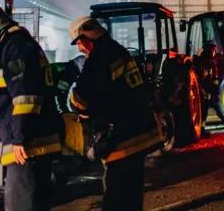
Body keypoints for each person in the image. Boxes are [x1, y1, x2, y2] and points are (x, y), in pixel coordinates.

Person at [0, 2, 63, 211]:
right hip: (33, 142)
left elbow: (26, 98)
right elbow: (22, 95)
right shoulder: (21, 46)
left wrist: (18, 137)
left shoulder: (14, 48)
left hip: (27, 148)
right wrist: (4, 128)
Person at [68, 16, 162, 211]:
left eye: (79, 43)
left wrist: (75, 104)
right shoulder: (118, 50)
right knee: (132, 196)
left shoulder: (98, 58)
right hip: (140, 133)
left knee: (115, 197)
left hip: (121, 139)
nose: (79, 49)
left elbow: (80, 99)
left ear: (87, 37)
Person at [195, 42, 220, 121]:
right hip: (202, 91)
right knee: (202, 110)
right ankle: (201, 130)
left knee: (204, 110)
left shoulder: (208, 62)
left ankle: (202, 129)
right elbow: (213, 79)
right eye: (214, 50)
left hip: (205, 91)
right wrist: (215, 92)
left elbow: (214, 78)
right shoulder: (204, 62)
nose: (214, 52)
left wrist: (215, 91)